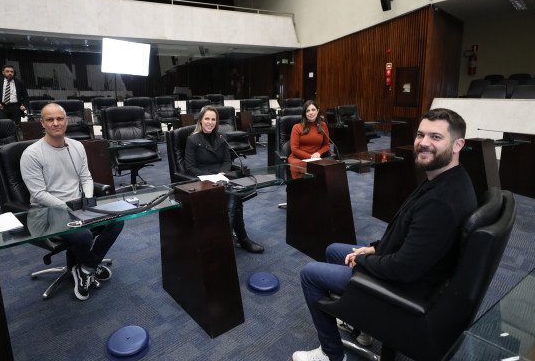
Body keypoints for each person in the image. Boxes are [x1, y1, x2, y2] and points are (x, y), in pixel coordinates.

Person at [292, 108, 478, 361]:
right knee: (334, 250)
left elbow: (404, 269)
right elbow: (407, 236)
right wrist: (374, 248)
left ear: (458, 145)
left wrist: (364, 260)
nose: (424, 142)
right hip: (411, 269)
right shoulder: (446, 179)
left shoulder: (441, 203)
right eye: (420, 134)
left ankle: (331, 354)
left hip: (401, 288)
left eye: (436, 137)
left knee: (310, 274)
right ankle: (362, 327)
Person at [20, 103, 124, 301]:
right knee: (83, 235)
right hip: (48, 211)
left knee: (117, 220)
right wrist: (69, 208)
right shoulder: (31, 154)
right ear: (42, 123)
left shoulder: (76, 146)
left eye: (60, 118)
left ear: (66, 121)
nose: (56, 123)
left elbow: (86, 177)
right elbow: (39, 193)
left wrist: (87, 199)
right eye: (50, 119)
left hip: (78, 205)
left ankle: (85, 268)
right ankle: (90, 266)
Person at [184, 105, 264, 253]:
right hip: (203, 180)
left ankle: (227, 238)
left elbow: (227, 161)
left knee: (232, 193)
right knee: (234, 195)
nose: (210, 122)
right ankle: (241, 239)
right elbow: (189, 168)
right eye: (207, 119)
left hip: (222, 177)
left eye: (213, 119)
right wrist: (212, 176)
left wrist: (222, 173)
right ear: (200, 120)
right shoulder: (192, 140)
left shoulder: (221, 137)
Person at [288, 100, 331, 166]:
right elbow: (294, 149)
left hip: (315, 159)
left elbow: (326, 145)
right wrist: (311, 157)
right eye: (308, 111)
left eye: (313, 110)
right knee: (307, 168)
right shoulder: (297, 127)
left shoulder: (323, 125)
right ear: (305, 113)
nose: (311, 112)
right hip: (297, 159)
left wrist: (319, 153)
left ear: (317, 111)